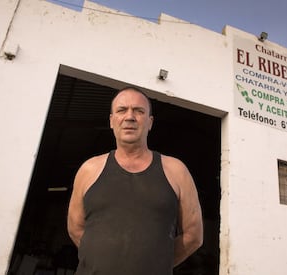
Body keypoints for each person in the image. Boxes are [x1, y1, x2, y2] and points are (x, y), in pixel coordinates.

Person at [67, 87, 203, 275]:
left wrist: (156, 264)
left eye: (139, 111)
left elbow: (193, 236)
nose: (130, 117)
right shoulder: (89, 169)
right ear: (112, 121)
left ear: (150, 122)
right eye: (122, 110)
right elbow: (76, 229)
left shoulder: (176, 170)